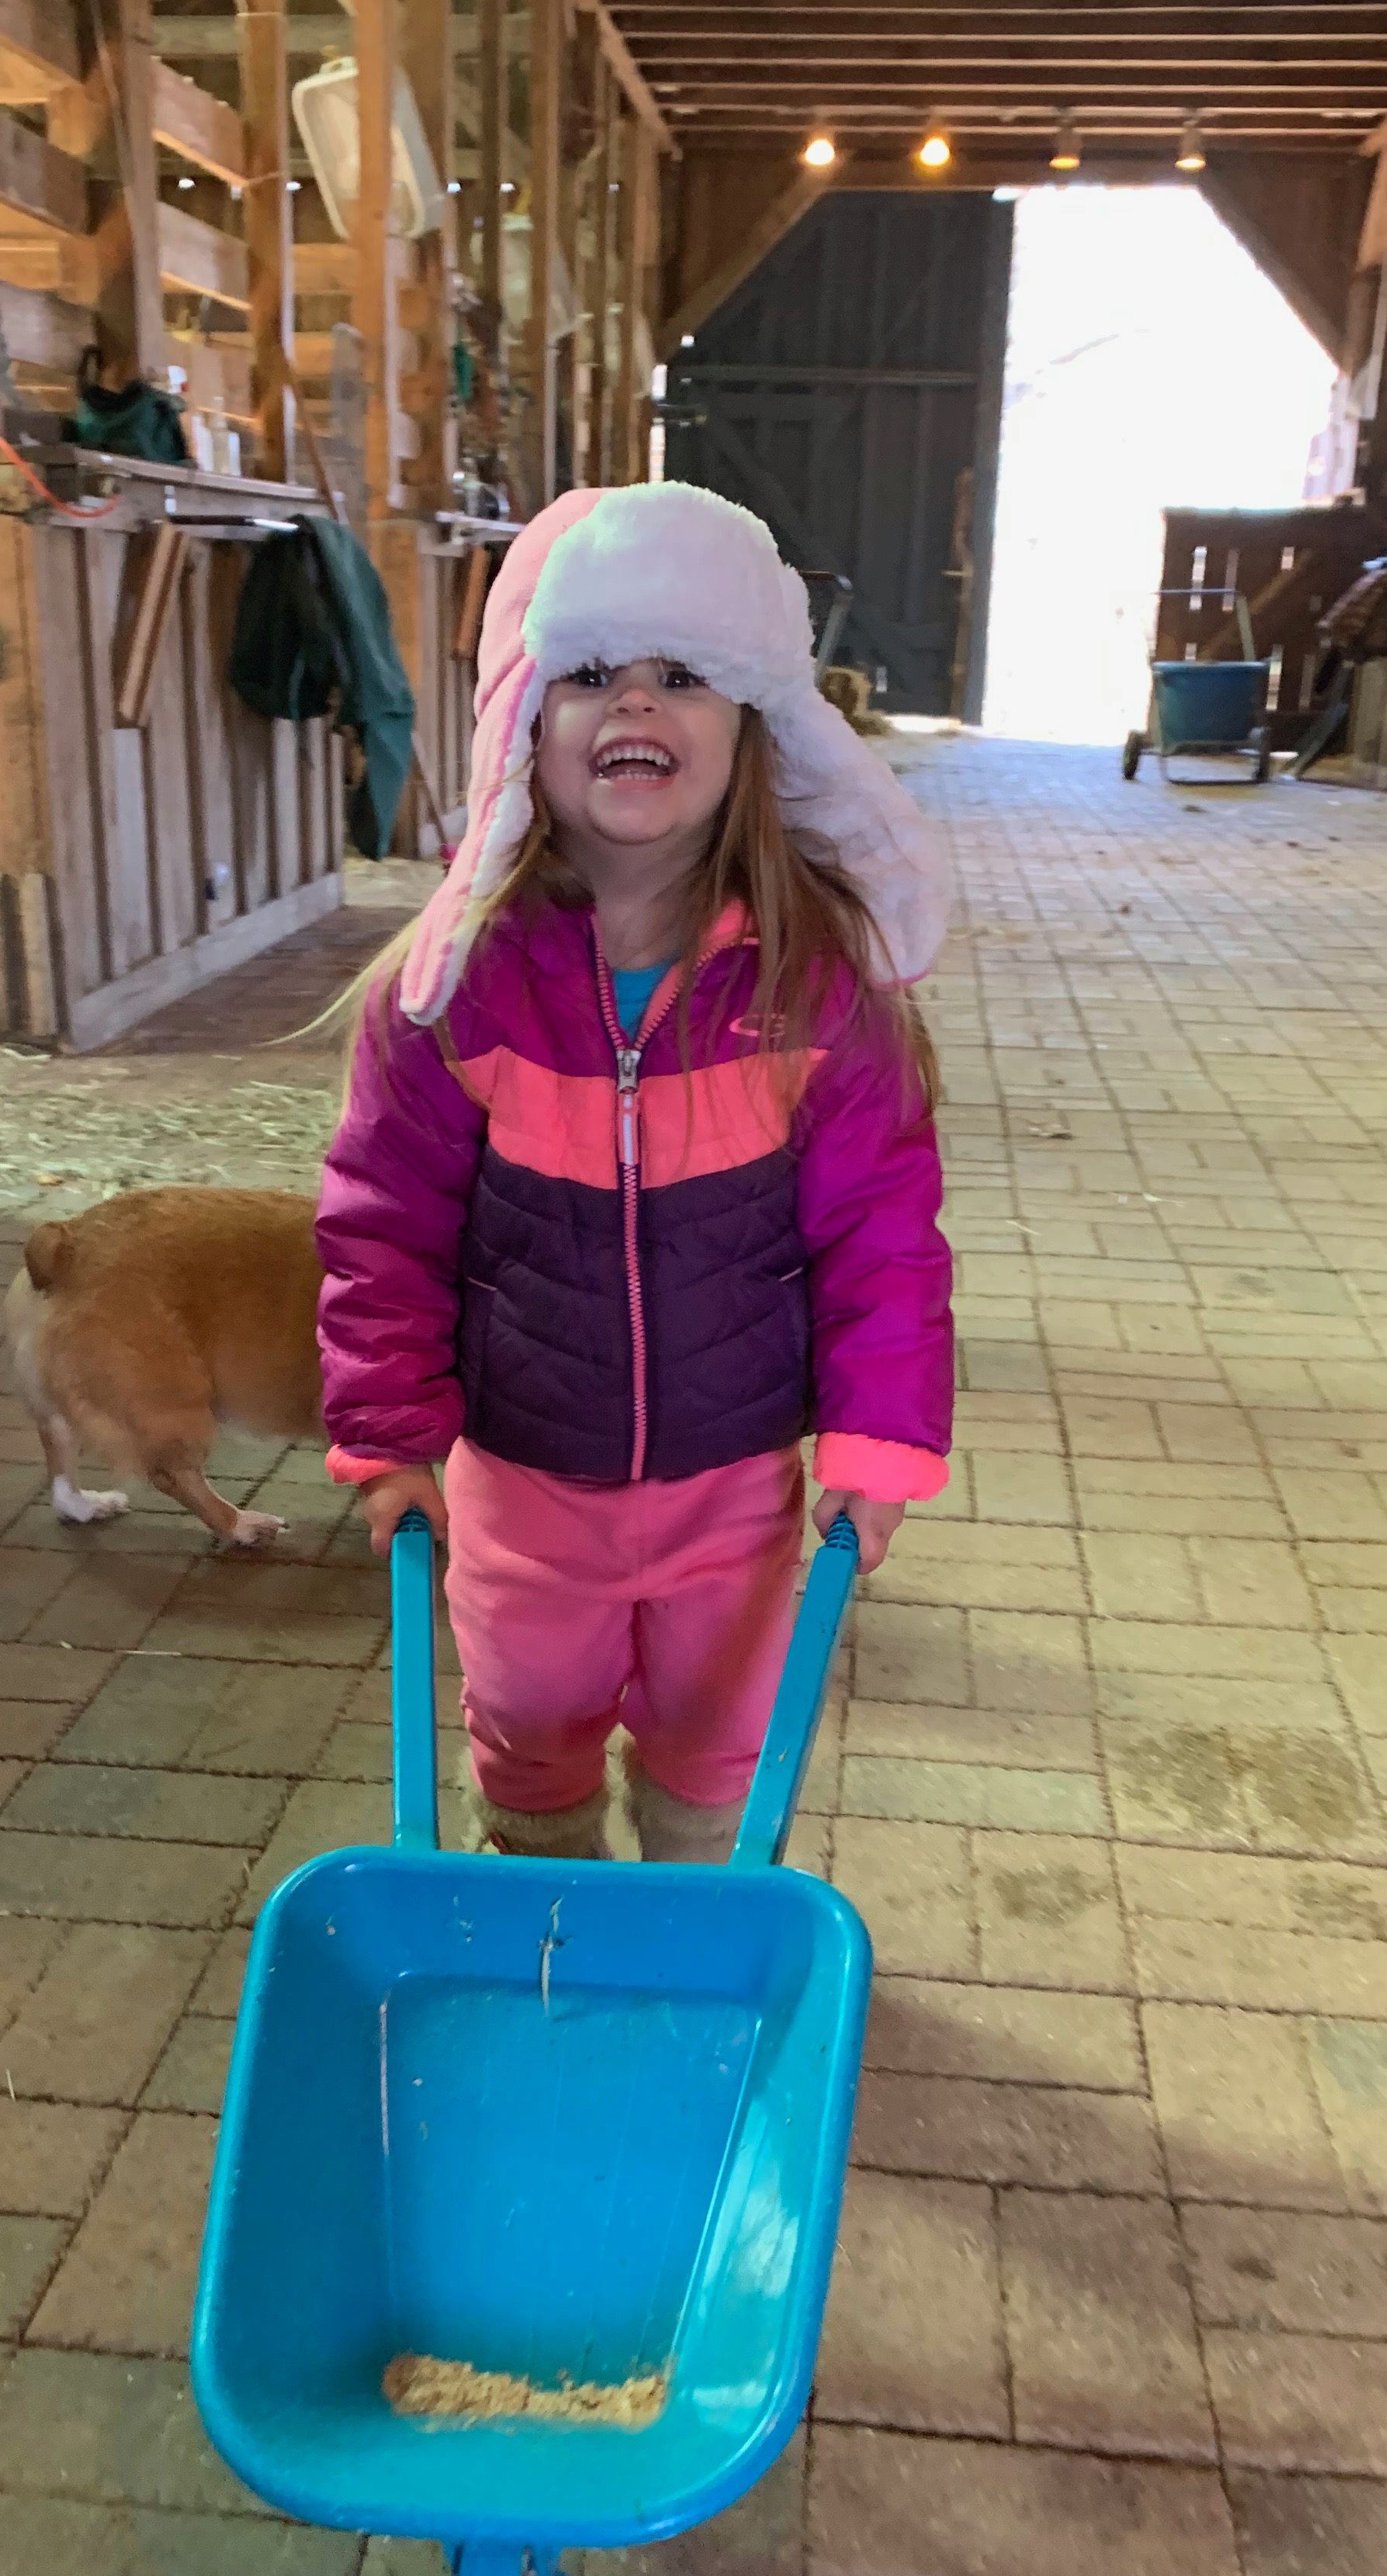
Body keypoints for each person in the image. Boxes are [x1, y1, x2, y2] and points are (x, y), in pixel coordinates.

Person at [315, 480, 954, 1863]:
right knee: (528, 1732)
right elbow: (383, 1226)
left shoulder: (813, 987)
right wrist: (390, 1429)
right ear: (523, 723)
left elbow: (882, 1234)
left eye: (684, 674)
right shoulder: (452, 996)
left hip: (738, 1484)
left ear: (755, 726)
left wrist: (880, 1438)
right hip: (522, 1484)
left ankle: (696, 1929)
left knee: (723, 1743)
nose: (637, 703)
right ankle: (547, 1916)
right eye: (593, 671)